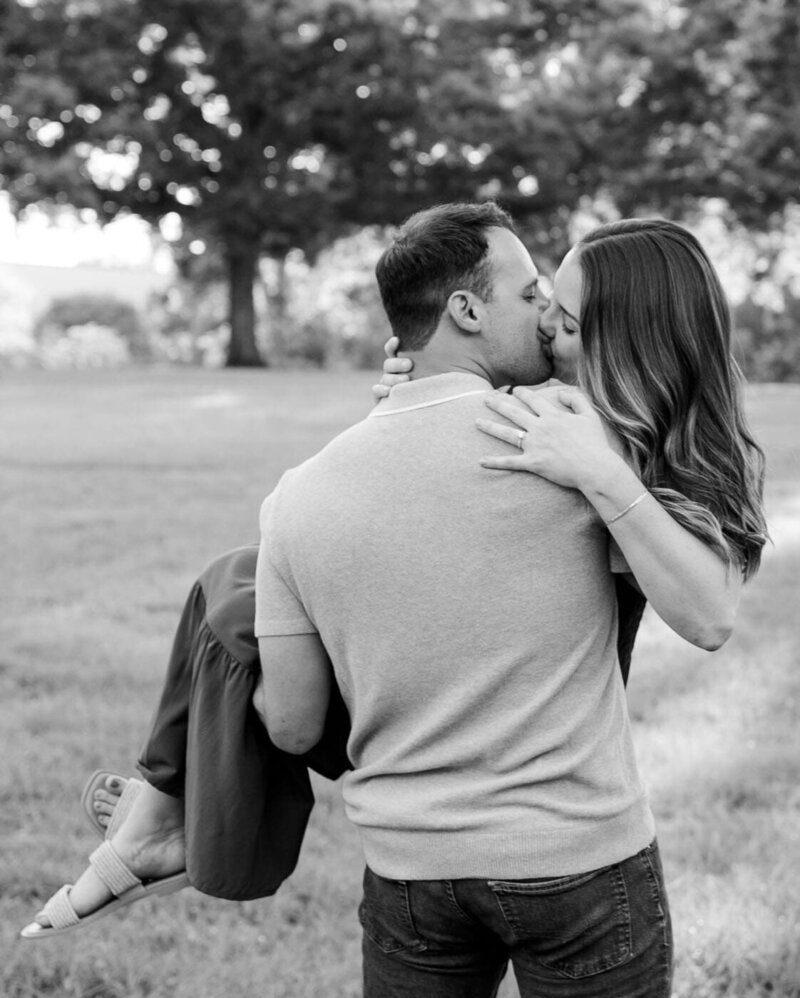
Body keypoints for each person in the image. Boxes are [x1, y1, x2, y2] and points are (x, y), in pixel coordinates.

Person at [21, 207, 765, 998]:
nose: (549, 328)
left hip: (414, 869)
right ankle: (157, 813)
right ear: (467, 311)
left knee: (232, 592)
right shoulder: (566, 439)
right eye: (537, 300)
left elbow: (297, 726)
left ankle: (162, 814)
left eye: (567, 318)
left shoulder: (318, 491)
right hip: (578, 858)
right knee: (233, 588)